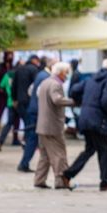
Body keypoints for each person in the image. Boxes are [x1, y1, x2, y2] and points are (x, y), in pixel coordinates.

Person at [62, 59, 107, 191]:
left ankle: (68, 174)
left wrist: (83, 102)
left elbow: (74, 91)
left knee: (90, 149)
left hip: (85, 118)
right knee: (105, 150)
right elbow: (106, 101)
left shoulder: (91, 79)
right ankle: (105, 182)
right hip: (99, 121)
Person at [33, 62, 75, 190]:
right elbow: (56, 99)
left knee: (45, 156)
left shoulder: (45, 82)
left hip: (42, 125)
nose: (67, 75)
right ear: (61, 73)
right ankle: (61, 181)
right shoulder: (55, 84)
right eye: (66, 72)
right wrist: (73, 102)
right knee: (59, 154)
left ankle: (39, 180)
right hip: (52, 126)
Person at [18, 56, 55, 173]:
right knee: (33, 139)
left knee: (33, 138)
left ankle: (25, 163)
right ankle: (24, 164)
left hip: (33, 109)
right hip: (37, 111)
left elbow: (31, 91)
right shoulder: (46, 77)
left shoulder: (41, 74)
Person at [0, 54, 40, 150]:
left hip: (13, 102)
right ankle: (25, 142)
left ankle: (0, 140)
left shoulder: (14, 72)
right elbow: (35, 86)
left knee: (9, 123)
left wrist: (13, 99)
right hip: (26, 101)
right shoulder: (33, 70)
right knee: (28, 122)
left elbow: (10, 87)